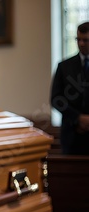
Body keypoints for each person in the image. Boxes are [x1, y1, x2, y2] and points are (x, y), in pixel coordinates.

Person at [51, 22, 89, 155]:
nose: (81, 43)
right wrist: (78, 118)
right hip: (72, 136)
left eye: (86, 40)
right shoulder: (64, 66)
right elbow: (56, 99)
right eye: (78, 39)